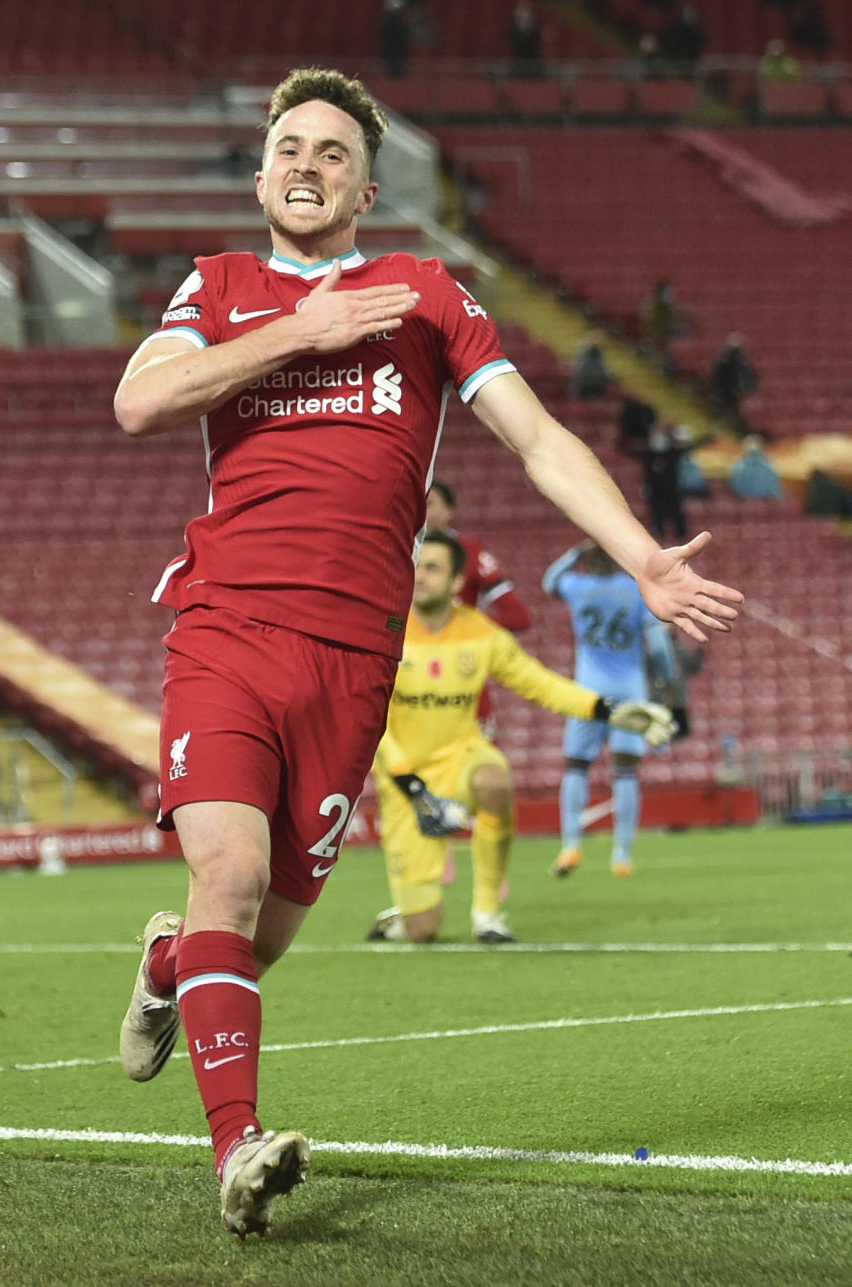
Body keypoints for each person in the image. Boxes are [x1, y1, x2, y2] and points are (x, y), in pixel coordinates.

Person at [112, 66, 742, 1241]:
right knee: (231, 877)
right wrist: (300, 332)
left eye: (333, 153)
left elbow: (540, 438)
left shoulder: (422, 290)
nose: (306, 165)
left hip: (357, 660)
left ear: (367, 187)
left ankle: (165, 975)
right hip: (229, 630)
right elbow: (141, 405)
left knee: (263, 931)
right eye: (289, 147)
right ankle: (236, 1152)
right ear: (261, 175)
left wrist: (643, 555)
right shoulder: (219, 285)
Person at [369, 532, 675, 943]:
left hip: (462, 757)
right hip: (403, 777)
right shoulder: (384, 632)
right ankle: (402, 919)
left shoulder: (481, 632)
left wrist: (611, 710)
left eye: (433, 568)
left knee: (495, 781)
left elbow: (540, 684)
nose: (420, 576)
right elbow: (370, 720)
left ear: (458, 581)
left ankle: (488, 915)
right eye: (417, 567)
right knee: (424, 931)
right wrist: (409, 781)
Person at [542, 540, 679, 877]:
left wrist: (575, 552)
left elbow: (549, 582)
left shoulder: (578, 586)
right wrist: (669, 679)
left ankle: (571, 845)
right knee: (626, 772)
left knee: (576, 766)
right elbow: (659, 643)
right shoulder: (635, 589)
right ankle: (622, 855)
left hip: (588, 692)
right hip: (630, 689)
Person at [425, 478, 531, 632]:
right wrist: (402, 629)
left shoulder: (468, 551)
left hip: (456, 651)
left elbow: (518, 616)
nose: (419, 510)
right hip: (409, 651)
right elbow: (389, 620)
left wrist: (465, 628)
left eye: (428, 504)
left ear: (448, 512)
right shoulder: (394, 550)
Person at [710, 332, 758, 427]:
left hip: (731, 393)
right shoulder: (727, 361)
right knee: (728, 414)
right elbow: (719, 378)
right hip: (727, 393)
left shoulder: (739, 361)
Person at [728, 435, 783, 500]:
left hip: (745, 501)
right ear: (762, 450)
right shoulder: (769, 466)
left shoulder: (738, 467)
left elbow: (736, 487)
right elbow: (774, 489)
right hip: (766, 502)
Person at [569, 332, 613, 400]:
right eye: (595, 340)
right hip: (584, 384)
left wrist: (609, 377)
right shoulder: (584, 353)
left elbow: (602, 369)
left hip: (596, 384)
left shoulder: (599, 354)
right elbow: (580, 370)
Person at [508, 0, 543, 78]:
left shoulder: (535, 26)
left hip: (531, 53)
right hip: (519, 53)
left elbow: (537, 40)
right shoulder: (515, 26)